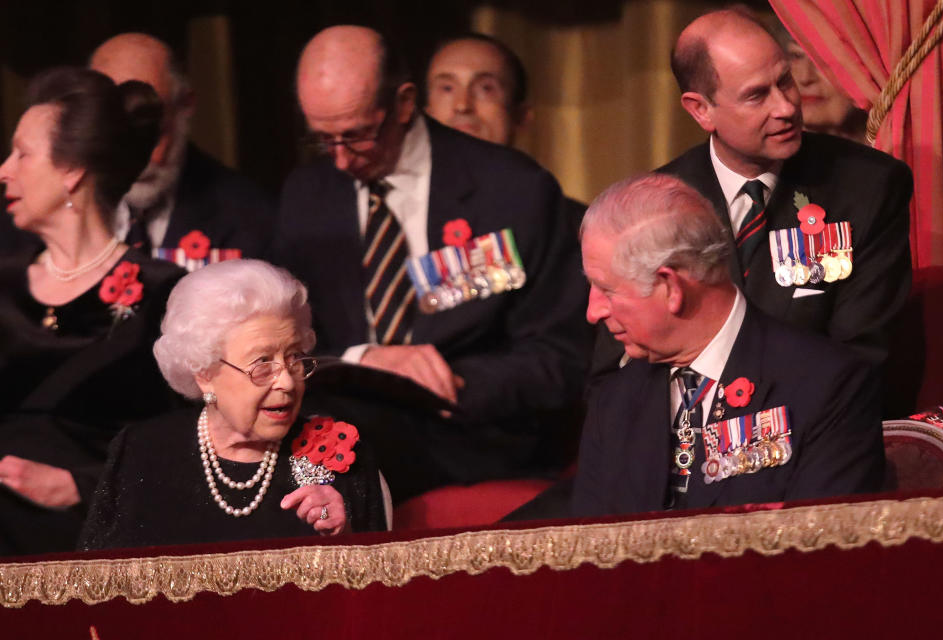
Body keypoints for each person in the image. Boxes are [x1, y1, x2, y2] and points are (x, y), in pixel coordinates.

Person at [274, 26, 590, 501]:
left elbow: (560, 356)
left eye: (357, 135)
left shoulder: (512, 189)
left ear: (403, 103)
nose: (339, 160)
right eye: (323, 140)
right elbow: (290, 338)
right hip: (339, 417)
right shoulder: (306, 196)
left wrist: (443, 382)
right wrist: (367, 360)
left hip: (472, 431)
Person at [592, 8, 912, 378]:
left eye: (785, 81)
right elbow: (612, 372)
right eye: (757, 96)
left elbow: (860, 359)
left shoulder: (866, 185)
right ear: (701, 110)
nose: (787, 106)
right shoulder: (650, 209)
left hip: (812, 422)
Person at [572, 173, 884, 517]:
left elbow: (825, 551)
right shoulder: (615, 401)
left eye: (608, 290)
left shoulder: (827, 386)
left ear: (670, 287)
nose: (592, 311)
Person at [0, 67, 185, 555]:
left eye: (22, 154)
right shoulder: (3, 286)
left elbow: (195, 449)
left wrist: (78, 486)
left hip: (101, 538)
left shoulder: (165, 295)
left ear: (71, 170)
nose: (4, 169)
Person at [80, 260, 387, 550]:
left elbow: (378, 592)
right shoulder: (140, 452)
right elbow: (93, 583)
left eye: (294, 357)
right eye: (262, 363)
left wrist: (342, 537)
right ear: (205, 373)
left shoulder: (340, 455)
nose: (288, 382)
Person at [89, 33, 275, 266]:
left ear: (185, 105)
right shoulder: (63, 210)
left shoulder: (248, 214)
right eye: (116, 136)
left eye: (151, 134)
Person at [424, 32, 586, 235]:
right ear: (426, 114)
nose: (462, 105)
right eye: (447, 88)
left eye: (486, 88)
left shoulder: (576, 228)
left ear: (520, 116)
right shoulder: (398, 215)